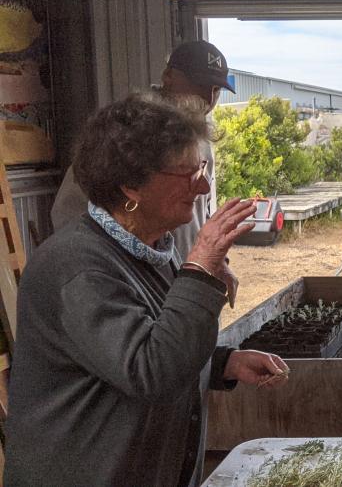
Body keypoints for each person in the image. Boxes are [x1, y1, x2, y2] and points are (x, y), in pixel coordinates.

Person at [4, 99, 287, 486]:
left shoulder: (149, 248)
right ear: (131, 185)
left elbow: (153, 340)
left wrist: (222, 363)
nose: (203, 186)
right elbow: (150, 372)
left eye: (201, 168)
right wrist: (200, 268)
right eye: (188, 173)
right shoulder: (77, 266)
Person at [51, 40, 235, 260]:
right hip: (132, 276)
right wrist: (115, 265)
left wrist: (214, 261)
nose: (208, 98)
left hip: (180, 274)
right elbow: (66, 212)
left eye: (215, 90)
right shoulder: (128, 132)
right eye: (199, 84)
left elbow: (200, 212)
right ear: (168, 76)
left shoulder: (202, 141)